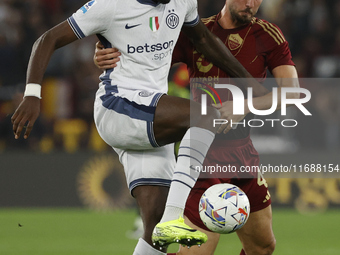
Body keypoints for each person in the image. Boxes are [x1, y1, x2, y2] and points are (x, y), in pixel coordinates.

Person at [11, 0, 269, 255]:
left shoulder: (182, 2)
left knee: (154, 229)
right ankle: (173, 219)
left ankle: (166, 222)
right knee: (207, 116)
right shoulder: (110, 6)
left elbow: (202, 40)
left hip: (151, 118)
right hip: (118, 106)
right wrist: (32, 94)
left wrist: (246, 79)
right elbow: (46, 39)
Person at [94, 0, 299, 254]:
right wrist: (108, 52)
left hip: (243, 153)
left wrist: (245, 106)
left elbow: (293, 94)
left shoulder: (268, 35)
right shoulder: (195, 32)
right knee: (197, 251)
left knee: (263, 246)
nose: (251, 4)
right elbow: (142, 56)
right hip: (204, 158)